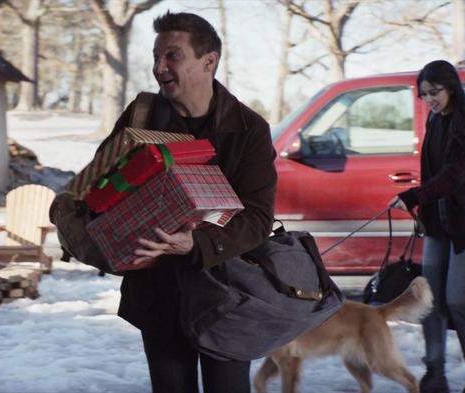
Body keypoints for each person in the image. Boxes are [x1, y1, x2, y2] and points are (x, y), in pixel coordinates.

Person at [100, 11, 277, 393]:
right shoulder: (141, 116)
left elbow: (258, 219)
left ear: (208, 61)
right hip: (158, 292)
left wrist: (195, 243)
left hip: (225, 294)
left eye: (172, 56)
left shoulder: (249, 129)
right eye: (156, 56)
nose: (159, 67)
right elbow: (101, 185)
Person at [390, 60, 465, 393]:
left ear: (452, 87)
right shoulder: (436, 119)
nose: (429, 100)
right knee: (431, 298)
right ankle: (434, 372)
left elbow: (453, 177)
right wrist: (423, 211)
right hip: (440, 222)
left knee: (456, 298)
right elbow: (433, 173)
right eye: (424, 94)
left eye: (434, 92)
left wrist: (412, 196)